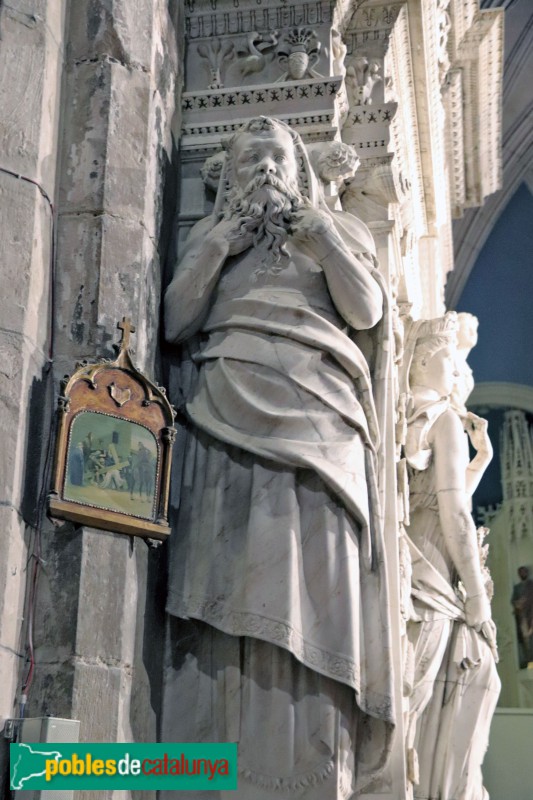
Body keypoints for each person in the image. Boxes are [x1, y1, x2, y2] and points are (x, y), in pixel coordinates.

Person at [163, 116, 394, 798]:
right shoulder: (211, 236)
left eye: (276, 156)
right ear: (229, 174)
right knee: (226, 573)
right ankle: (205, 763)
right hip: (224, 408)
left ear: (298, 170)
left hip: (321, 420)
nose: (265, 166)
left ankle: (310, 761)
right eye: (250, 156)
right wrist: (219, 245)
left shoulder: (336, 232)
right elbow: (176, 322)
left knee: (315, 575)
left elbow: (368, 312)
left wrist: (321, 237)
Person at [402, 312, 500, 800]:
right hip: (433, 572)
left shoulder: (411, 419)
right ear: (420, 360)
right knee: (420, 692)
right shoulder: (441, 420)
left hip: (421, 560)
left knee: (421, 690)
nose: (457, 370)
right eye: (449, 358)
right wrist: (479, 595)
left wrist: (479, 459)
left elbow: (439, 497)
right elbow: (456, 516)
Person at [511, 566, 533, 667]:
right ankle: (528, 658)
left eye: (524, 572)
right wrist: (518, 604)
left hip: (531, 614)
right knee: (525, 639)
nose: (522, 574)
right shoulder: (517, 588)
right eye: (521, 572)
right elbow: (513, 601)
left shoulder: (531, 585)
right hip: (522, 617)